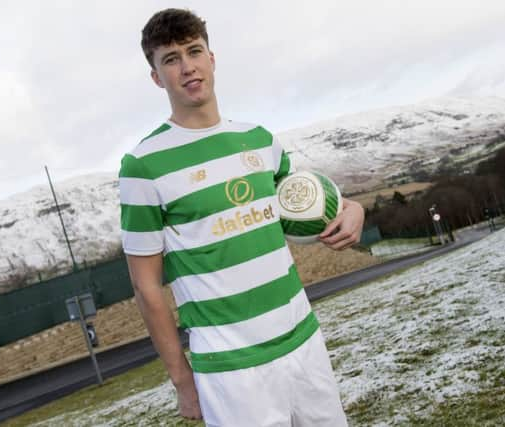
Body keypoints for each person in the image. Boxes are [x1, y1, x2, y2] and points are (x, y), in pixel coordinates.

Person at [119, 8, 365, 426]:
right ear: (157, 77)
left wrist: (353, 208)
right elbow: (146, 288)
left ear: (212, 59)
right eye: (171, 59)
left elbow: (305, 204)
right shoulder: (143, 166)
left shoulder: (260, 140)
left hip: (304, 343)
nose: (187, 66)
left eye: (194, 51)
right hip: (231, 370)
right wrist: (183, 381)